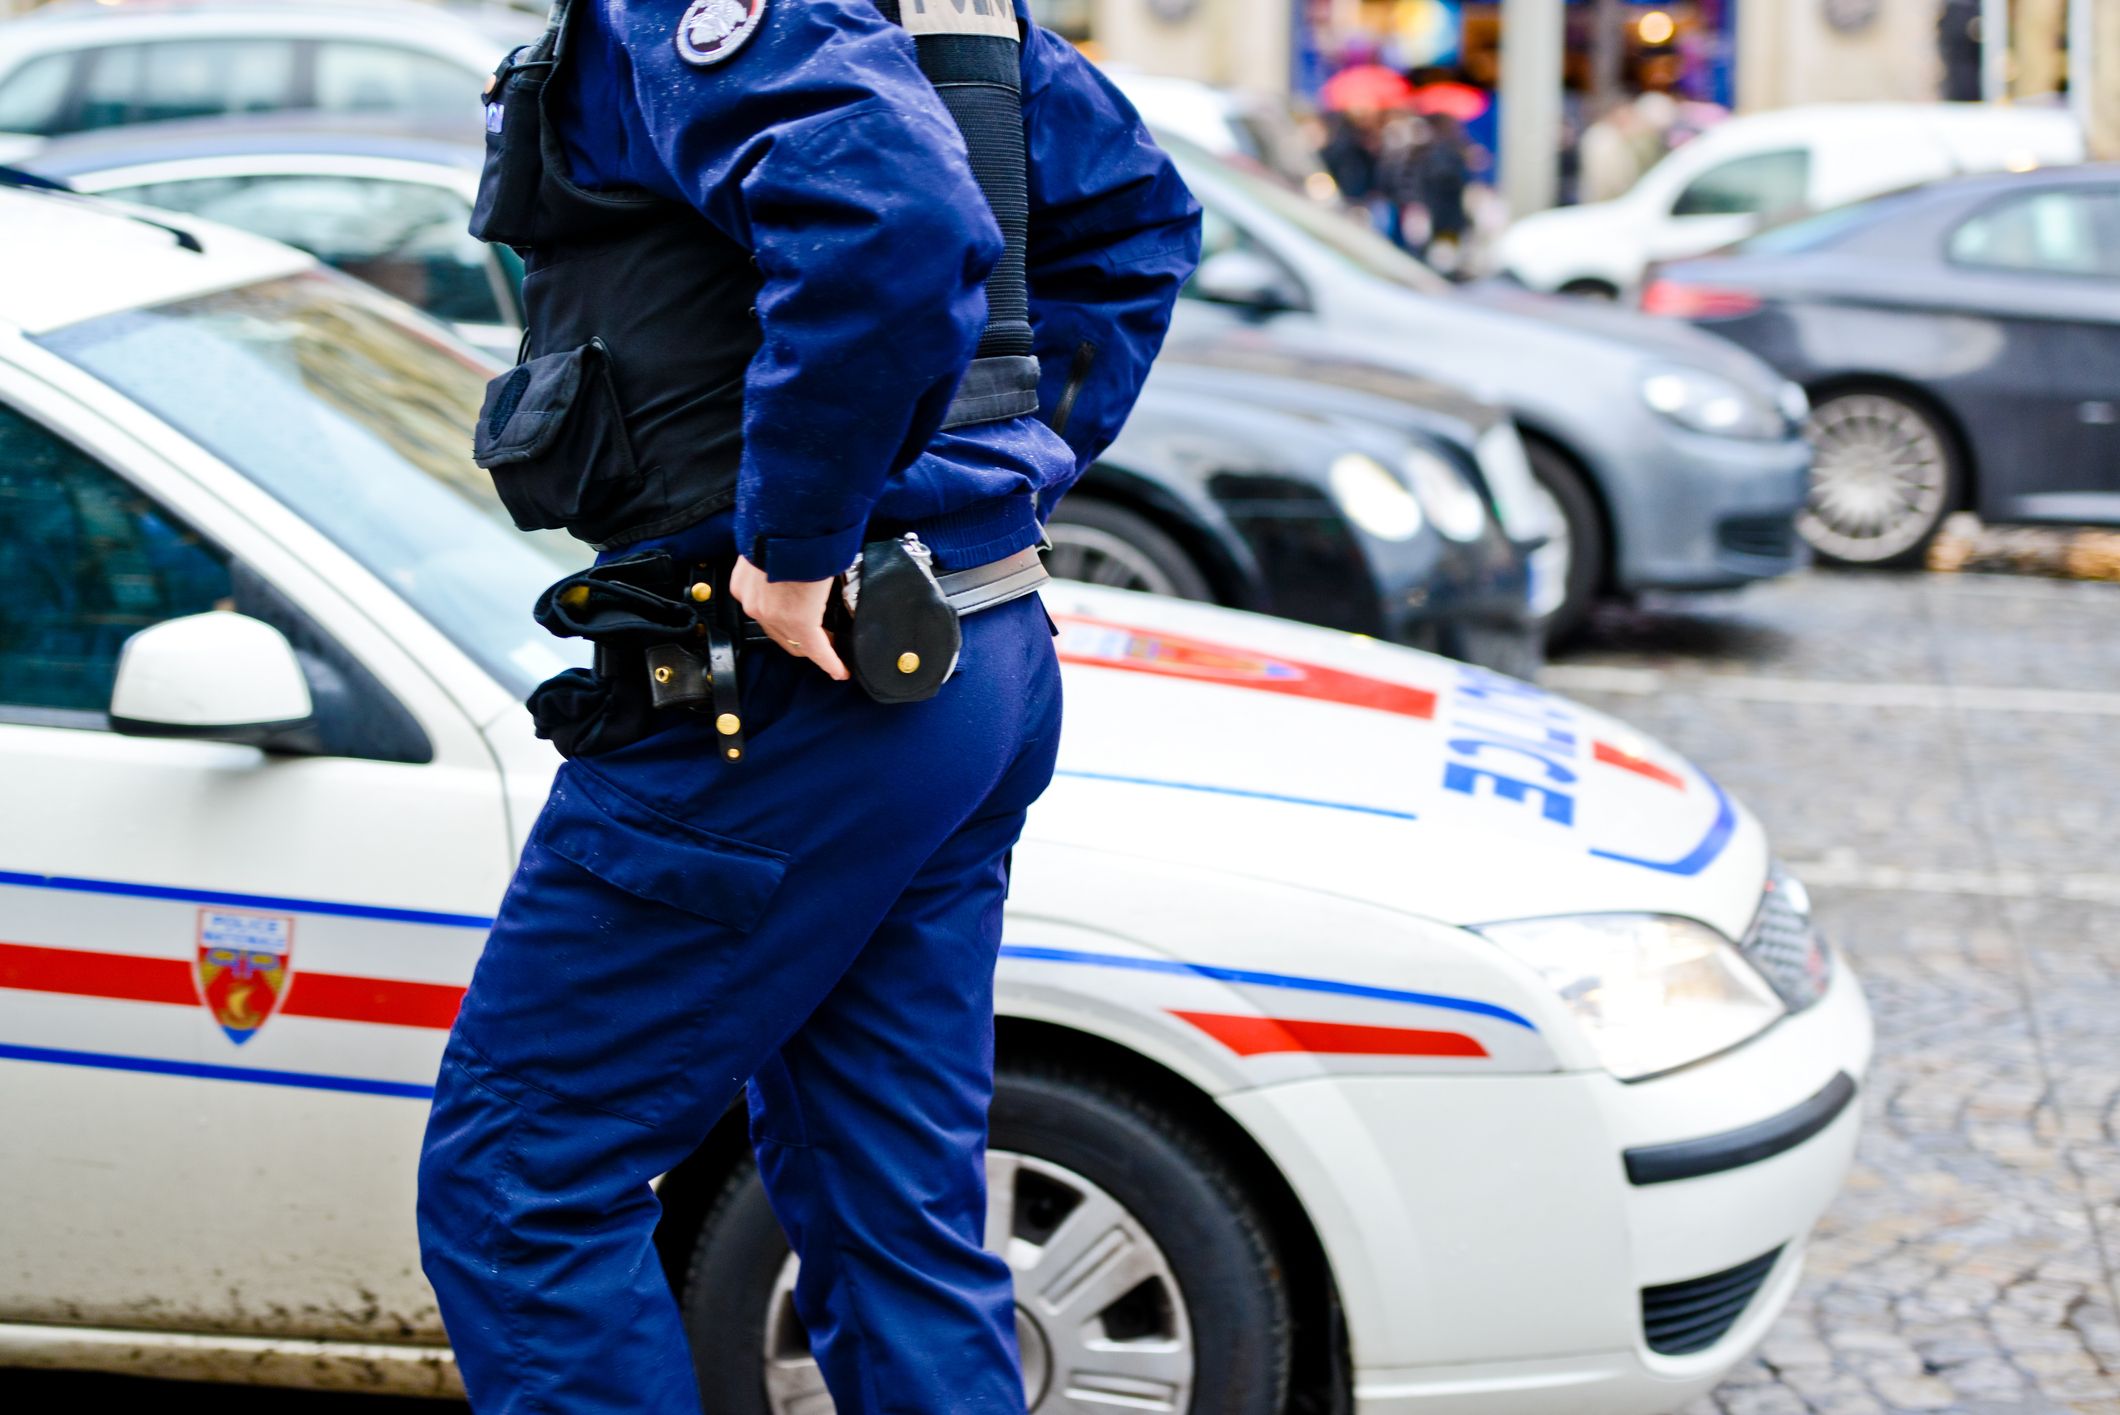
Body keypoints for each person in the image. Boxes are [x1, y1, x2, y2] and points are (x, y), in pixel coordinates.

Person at [413, 0, 1200, 1411]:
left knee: (520, 1183)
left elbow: (894, 222)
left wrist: (801, 540)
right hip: (965, 651)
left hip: (785, 685)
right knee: (892, 1217)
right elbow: (1135, 221)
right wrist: (985, 485)